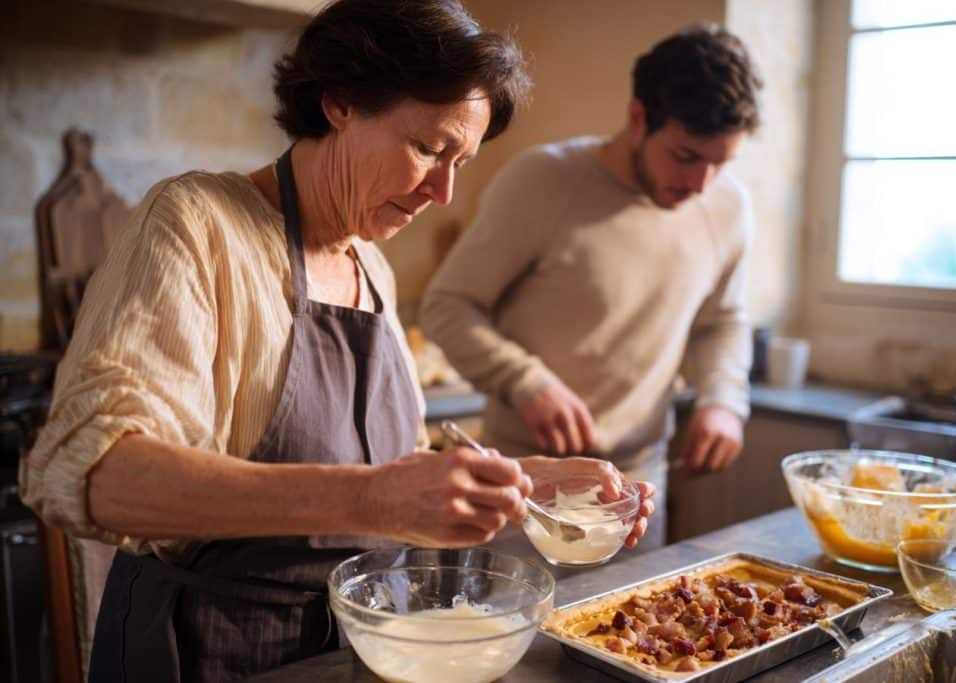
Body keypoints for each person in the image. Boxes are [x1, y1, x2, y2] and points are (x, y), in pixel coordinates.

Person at [19, 1, 654, 680]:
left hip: (350, 648)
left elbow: (390, 461)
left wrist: (525, 485)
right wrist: (368, 499)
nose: (443, 191)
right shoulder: (195, 226)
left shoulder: (367, 263)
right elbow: (93, 474)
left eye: (460, 161)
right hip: (204, 649)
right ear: (341, 102)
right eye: (428, 148)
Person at [421, 23, 763, 551]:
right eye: (686, 156)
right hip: (527, 487)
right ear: (637, 117)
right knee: (517, 632)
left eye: (721, 162)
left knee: (638, 631)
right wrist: (526, 382)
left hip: (639, 491)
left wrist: (723, 400)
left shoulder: (728, 205)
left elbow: (723, 321)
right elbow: (447, 305)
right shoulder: (542, 180)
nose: (700, 184)